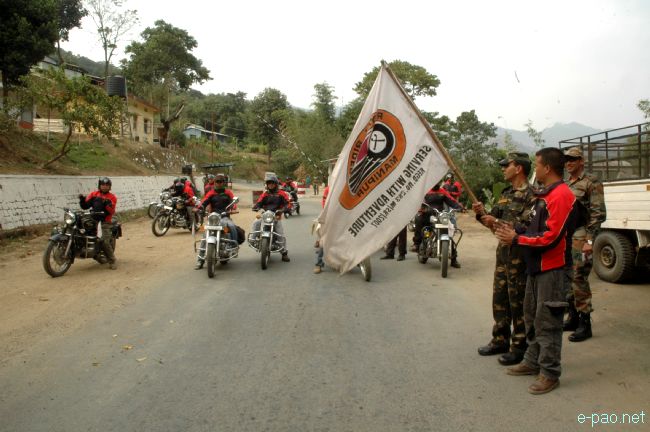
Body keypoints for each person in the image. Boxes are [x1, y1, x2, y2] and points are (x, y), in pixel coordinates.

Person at [495, 147, 577, 395]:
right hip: (536, 267)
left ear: (547, 168)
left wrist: (517, 239)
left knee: (548, 322)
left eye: (538, 164)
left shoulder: (560, 195)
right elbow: (533, 228)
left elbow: (551, 237)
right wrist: (516, 231)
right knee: (531, 315)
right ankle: (532, 361)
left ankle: (550, 373)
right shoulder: (544, 194)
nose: (536, 168)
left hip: (552, 269)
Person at [472, 152, 535, 366]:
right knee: (500, 299)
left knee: (518, 302)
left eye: (506, 165)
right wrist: (481, 214)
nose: (502, 169)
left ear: (519, 168)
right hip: (503, 256)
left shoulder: (532, 195)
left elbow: (528, 226)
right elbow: (491, 220)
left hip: (520, 257)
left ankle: (519, 346)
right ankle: (500, 339)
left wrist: (495, 221)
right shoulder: (506, 194)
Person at [563, 146, 606, 342]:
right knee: (568, 277)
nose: (569, 163)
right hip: (567, 238)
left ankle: (585, 323)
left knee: (579, 276)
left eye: (573, 159)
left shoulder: (591, 182)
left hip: (582, 238)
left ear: (582, 161)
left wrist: (589, 240)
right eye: (566, 160)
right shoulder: (565, 184)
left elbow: (598, 213)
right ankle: (572, 317)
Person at [412, 182, 463, 268]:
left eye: (438, 182)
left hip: (440, 215)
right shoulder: (426, 191)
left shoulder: (443, 192)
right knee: (418, 219)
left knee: (448, 235)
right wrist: (420, 208)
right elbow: (419, 201)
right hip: (427, 214)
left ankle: (453, 259)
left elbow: (451, 200)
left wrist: (459, 207)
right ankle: (417, 244)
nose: (436, 183)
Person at [194, 174, 238, 270]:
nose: (219, 183)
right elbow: (204, 201)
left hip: (225, 216)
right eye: (217, 182)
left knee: (231, 226)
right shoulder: (211, 193)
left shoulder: (228, 193)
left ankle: (233, 247)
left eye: (221, 182)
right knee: (205, 235)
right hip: (213, 217)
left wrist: (233, 207)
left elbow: (233, 202)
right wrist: (199, 208)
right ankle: (200, 260)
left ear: (223, 183)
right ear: (214, 183)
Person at [79, 177, 118, 269]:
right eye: (103, 185)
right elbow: (85, 206)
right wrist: (82, 200)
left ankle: (112, 260)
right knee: (79, 227)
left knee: (104, 241)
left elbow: (111, 211)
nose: (105, 186)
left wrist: (107, 204)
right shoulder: (94, 194)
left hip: (105, 221)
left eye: (107, 185)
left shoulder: (112, 197)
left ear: (110, 187)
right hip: (93, 219)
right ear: (99, 186)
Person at [251, 175, 291, 262]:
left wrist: (284, 209)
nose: (270, 185)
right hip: (265, 215)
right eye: (269, 183)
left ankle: (284, 253)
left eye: (272, 183)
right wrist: (256, 207)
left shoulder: (281, 193)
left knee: (280, 233)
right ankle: (253, 240)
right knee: (256, 222)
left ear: (276, 184)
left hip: (276, 216)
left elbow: (287, 203)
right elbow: (259, 202)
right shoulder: (265, 194)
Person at [313, 184, 330, 274]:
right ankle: (319, 263)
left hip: (343, 216)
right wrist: (326, 211)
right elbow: (324, 201)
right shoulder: (328, 189)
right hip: (329, 214)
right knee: (323, 240)